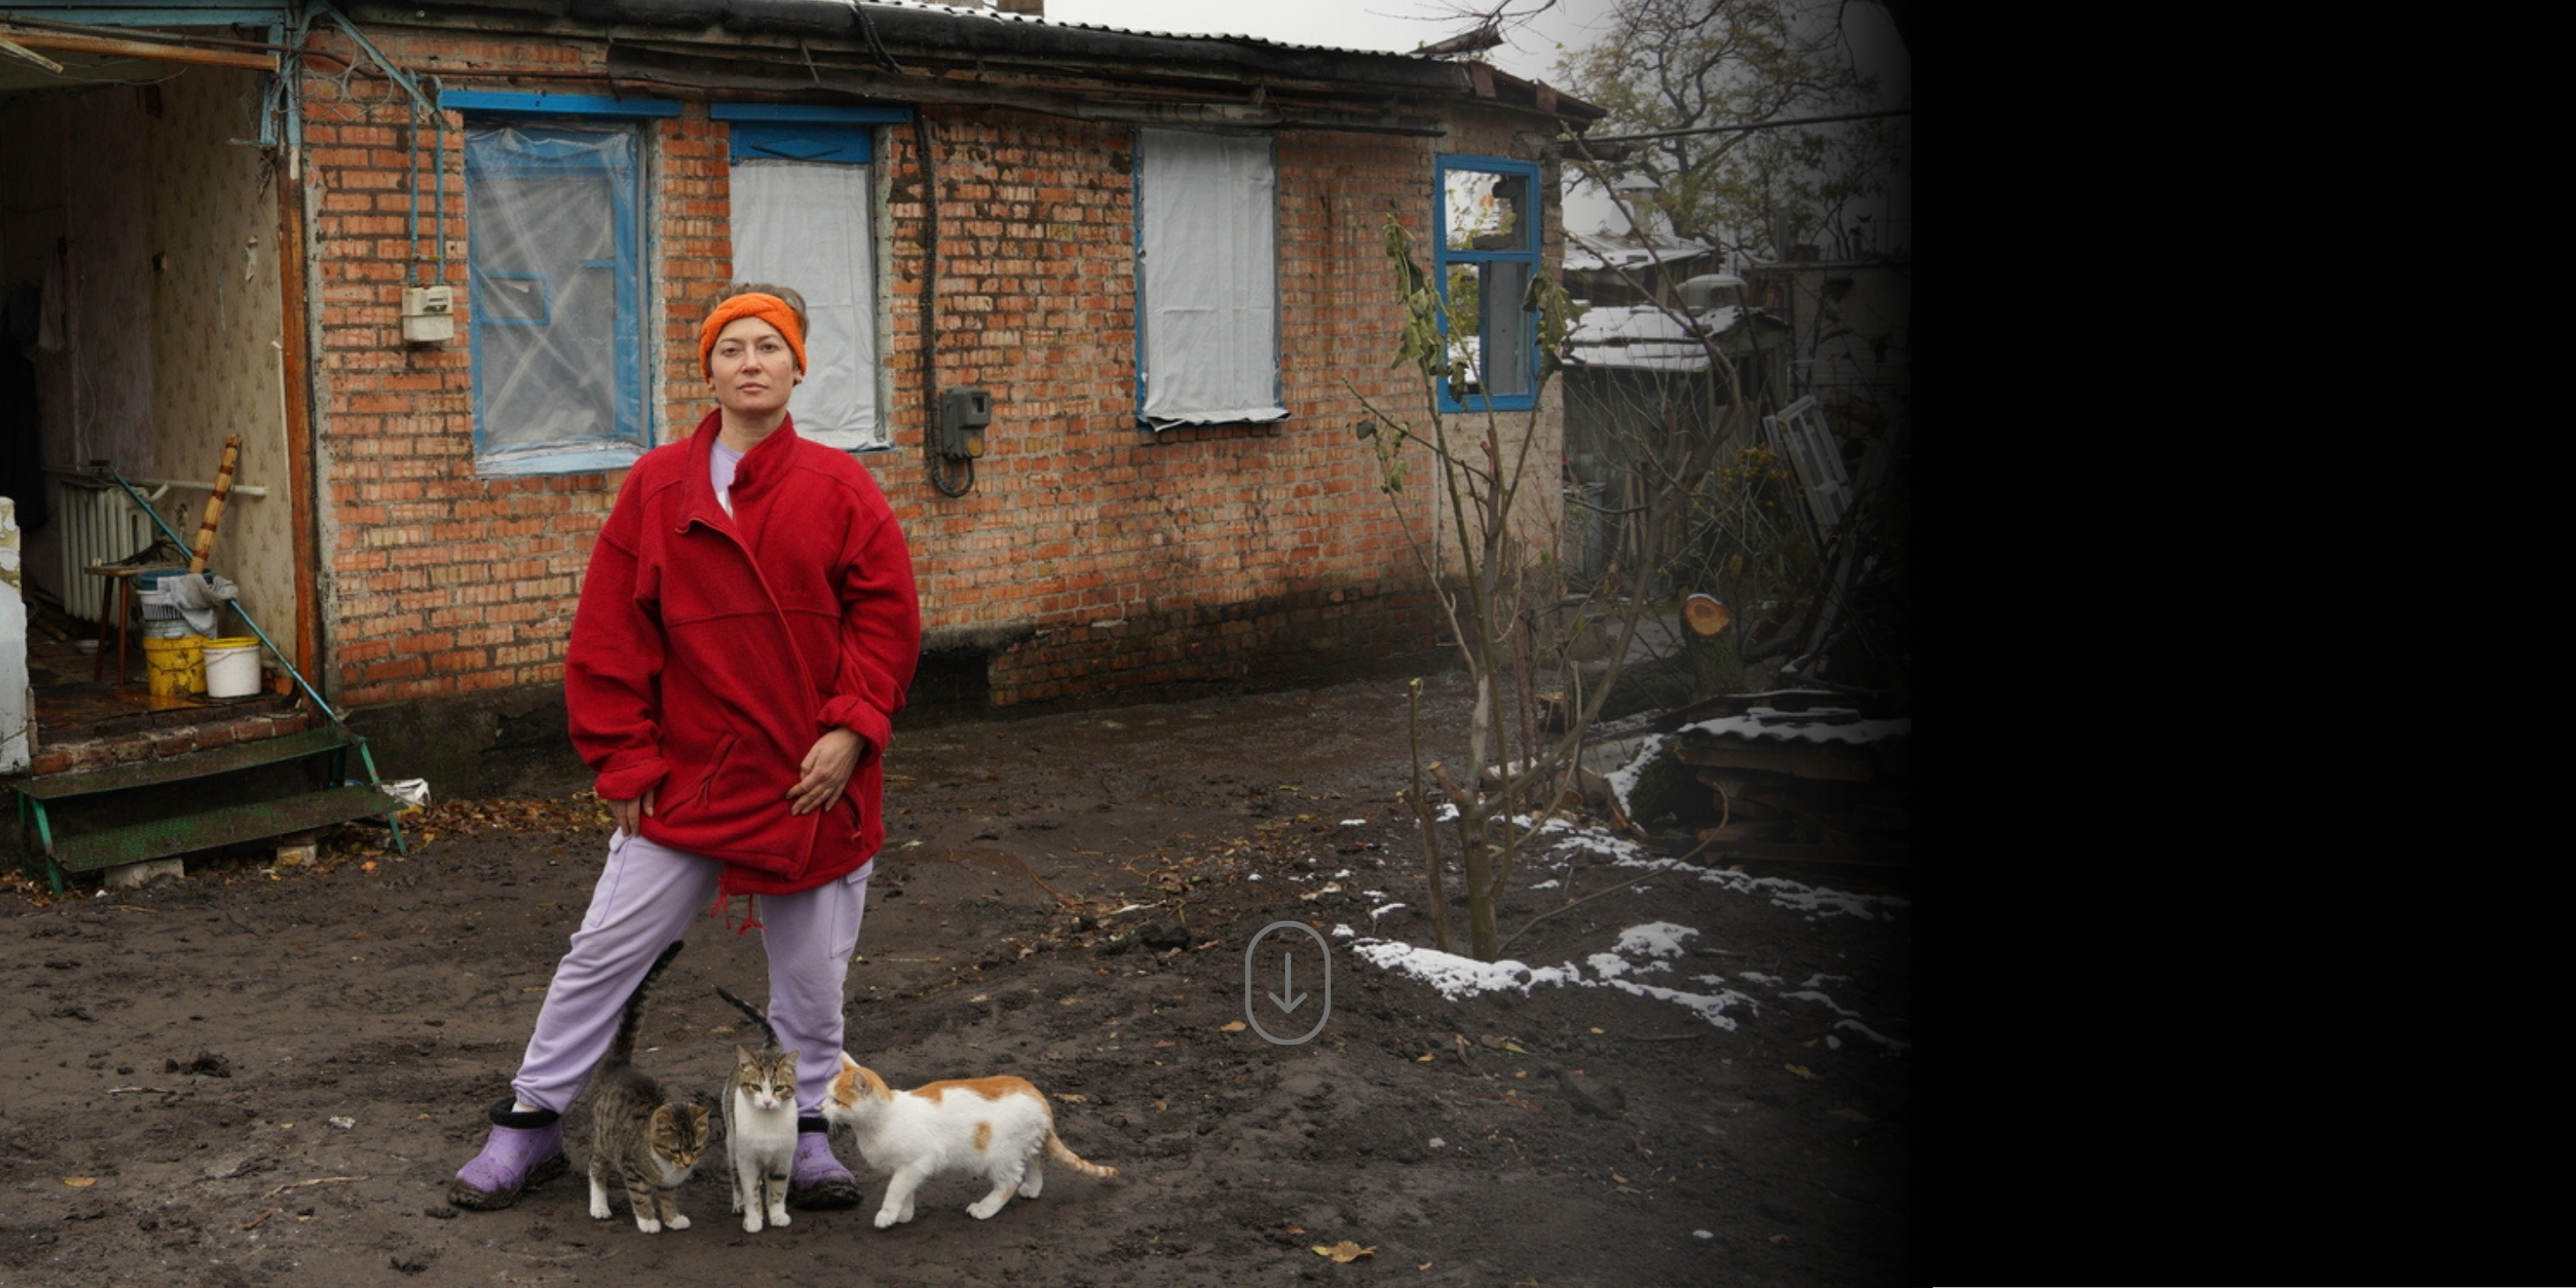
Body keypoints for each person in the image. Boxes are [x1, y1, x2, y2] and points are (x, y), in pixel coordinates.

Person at [449, 283, 921, 1211]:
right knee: (602, 952)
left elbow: (889, 621)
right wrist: (623, 759)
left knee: (812, 980)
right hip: (688, 779)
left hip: (811, 784)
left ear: (798, 366)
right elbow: (608, 638)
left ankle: (808, 1129)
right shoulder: (656, 486)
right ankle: (529, 1119)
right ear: (706, 369)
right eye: (732, 348)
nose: (751, 363)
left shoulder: (841, 488)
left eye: (769, 347)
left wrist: (851, 729)